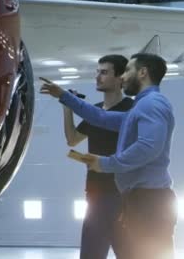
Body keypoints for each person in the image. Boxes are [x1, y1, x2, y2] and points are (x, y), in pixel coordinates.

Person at [41, 53, 177, 259]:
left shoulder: (151, 104)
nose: (123, 77)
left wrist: (106, 163)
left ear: (142, 72)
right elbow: (101, 117)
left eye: (128, 70)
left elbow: (149, 147)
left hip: (149, 201)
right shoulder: (142, 106)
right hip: (137, 199)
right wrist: (64, 96)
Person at [63, 55, 133, 259]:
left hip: (124, 197)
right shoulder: (94, 111)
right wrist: (67, 108)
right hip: (95, 196)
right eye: (97, 72)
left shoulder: (132, 110)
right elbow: (72, 139)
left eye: (104, 72)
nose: (97, 77)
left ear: (120, 78)